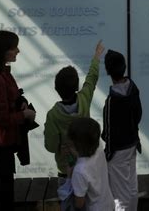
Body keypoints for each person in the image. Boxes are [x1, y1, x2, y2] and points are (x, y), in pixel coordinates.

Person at [0, 30, 36, 211]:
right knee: (1, 191)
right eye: (14, 48)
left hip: (0, 140)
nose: (18, 51)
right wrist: (24, 115)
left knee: (1, 186)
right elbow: (1, 118)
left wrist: (22, 103)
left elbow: (12, 95)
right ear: (4, 51)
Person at [44, 41, 105, 185]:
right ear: (77, 85)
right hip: (88, 164)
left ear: (56, 88)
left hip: (66, 169)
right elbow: (92, 78)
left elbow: (51, 147)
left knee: (68, 202)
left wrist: (60, 146)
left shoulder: (53, 115)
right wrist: (96, 56)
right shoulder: (84, 99)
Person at [101, 49, 142, 211]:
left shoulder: (112, 101)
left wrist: (108, 152)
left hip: (117, 151)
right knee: (131, 188)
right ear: (124, 67)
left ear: (107, 71)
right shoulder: (133, 88)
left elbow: (108, 131)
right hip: (132, 143)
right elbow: (138, 114)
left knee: (118, 195)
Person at [67, 117, 115, 211]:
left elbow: (79, 203)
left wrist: (69, 176)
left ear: (74, 145)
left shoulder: (79, 171)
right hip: (109, 204)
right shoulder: (99, 148)